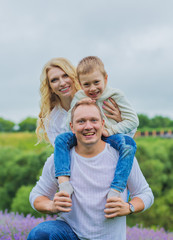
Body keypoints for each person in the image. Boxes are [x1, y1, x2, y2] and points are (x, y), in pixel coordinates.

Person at [27, 101, 154, 240]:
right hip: (71, 234)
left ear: (102, 124)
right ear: (72, 127)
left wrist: (129, 207)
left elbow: (145, 194)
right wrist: (52, 205)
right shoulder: (57, 160)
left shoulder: (121, 157)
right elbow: (37, 195)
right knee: (41, 234)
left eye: (94, 120)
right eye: (81, 121)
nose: (88, 126)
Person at [36, 57, 123, 195]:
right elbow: (62, 153)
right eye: (54, 80)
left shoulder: (95, 99)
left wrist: (119, 120)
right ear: (50, 87)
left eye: (65, 76)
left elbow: (126, 135)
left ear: (74, 77)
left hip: (107, 164)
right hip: (77, 170)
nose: (62, 82)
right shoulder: (53, 119)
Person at [54, 56, 139, 199]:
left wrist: (110, 130)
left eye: (96, 82)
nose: (92, 88)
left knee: (128, 144)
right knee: (61, 139)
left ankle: (117, 188)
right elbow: (69, 123)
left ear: (105, 79)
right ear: (80, 84)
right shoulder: (80, 96)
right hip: (85, 137)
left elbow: (133, 121)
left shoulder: (115, 95)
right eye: (87, 84)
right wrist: (78, 105)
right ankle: (64, 184)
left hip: (110, 137)